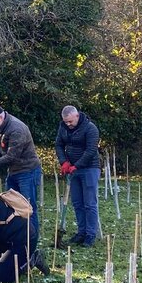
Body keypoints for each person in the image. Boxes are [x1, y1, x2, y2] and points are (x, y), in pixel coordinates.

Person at [0, 105, 43, 236]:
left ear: (1, 116)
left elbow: (11, 157)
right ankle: (19, 233)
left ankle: (32, 237)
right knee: (12, 203)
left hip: (27, 171)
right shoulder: (0, 125)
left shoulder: (16, 129)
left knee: (27, 206)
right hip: (14, 171)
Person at [55, 104, 100, 248]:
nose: (68, 124)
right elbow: (59, 145)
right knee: (77, 203)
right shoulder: (63, 127)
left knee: (89, 204)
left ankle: (90, 235)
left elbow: (91, 150)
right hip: (72, 170)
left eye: (70, 121)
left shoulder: (90, 128)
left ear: (77, 116)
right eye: (66, 122)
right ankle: (81, 233)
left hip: (89, 168)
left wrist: (77, 165)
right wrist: (64, 162)